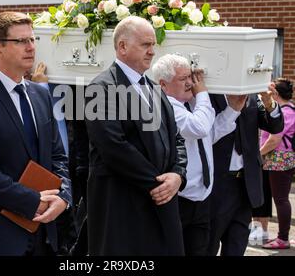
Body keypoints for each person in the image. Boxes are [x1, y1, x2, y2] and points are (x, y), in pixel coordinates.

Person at [0, 12, 71, 256]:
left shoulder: (40, 95)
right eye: (21, 41)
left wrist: (64, 196)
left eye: (33, 40)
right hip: (1, 236)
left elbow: (58, 155)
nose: (31, 47)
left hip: (46, 233)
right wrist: (32, 201)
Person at [84, 16, 187, 255]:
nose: (152, 52)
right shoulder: (101, 87)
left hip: (162, 201)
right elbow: (112, 146)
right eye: (145, 45)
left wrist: (177, 175)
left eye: (153, 45)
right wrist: (158, 184)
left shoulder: (153, 88)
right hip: (123, 205)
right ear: (122, 46)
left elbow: (177, 138)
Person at [152, 54, 244, 255]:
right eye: (183, 79)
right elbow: (199, 127)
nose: (191, 83)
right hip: (178, 198)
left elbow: (207, 137)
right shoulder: (165, 104)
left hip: (202, 197)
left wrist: (233, 110)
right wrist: (203, 94)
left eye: (190, 77)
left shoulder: (190, 104)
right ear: (163, 85)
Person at [207, 85, 284, 256]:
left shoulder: (251, 94)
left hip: (246, 183)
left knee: (237, 246)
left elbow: (275, 127)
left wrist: (269, 103)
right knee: (209, 244)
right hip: (218, 184)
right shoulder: (209, 94)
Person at [260, 78, 295, 249]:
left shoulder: (286, 112)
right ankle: (283, 235)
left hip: (279, 159)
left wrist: (257, 154)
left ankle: (283, 238)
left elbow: (275, 139)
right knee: (281, 198)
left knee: (280, 199)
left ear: (275, 93)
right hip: (280, 159)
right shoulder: (287, 109)